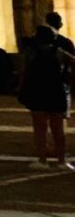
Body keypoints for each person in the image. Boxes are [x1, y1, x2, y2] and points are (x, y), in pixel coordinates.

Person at [18, 24, 73, 169]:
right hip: (56, 91)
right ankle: (62, 161)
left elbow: (24, 71)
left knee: (40, 129)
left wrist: (21, 88)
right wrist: (67, 77)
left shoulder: (31, 52)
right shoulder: (58, 52)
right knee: (58, 129)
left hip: (38, 92)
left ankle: (42, 160)